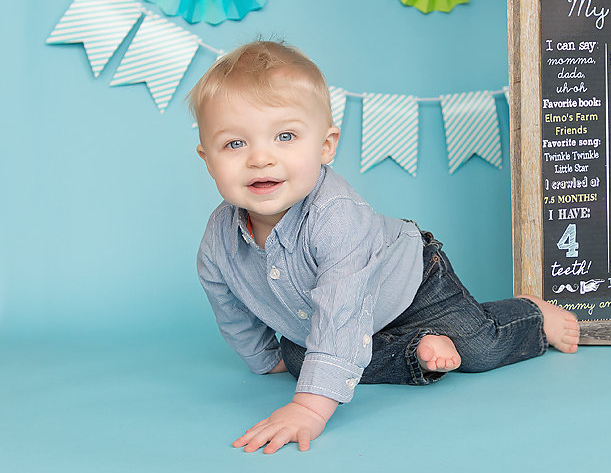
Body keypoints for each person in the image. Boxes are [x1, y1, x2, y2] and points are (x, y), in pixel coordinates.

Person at [188, 40, 580, 454]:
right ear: (207, 159)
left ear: (325, 146)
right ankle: (416, 348)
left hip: (413, 284)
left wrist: (308, 408)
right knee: (301, 361)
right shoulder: (219, 240)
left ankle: (532, 316)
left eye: (285, 136)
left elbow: (342, 309)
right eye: (235, 144)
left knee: (479, 348)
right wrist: (264, 357)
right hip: (342, 321)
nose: (260, 158)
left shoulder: (336, 217)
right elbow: (226, 302)